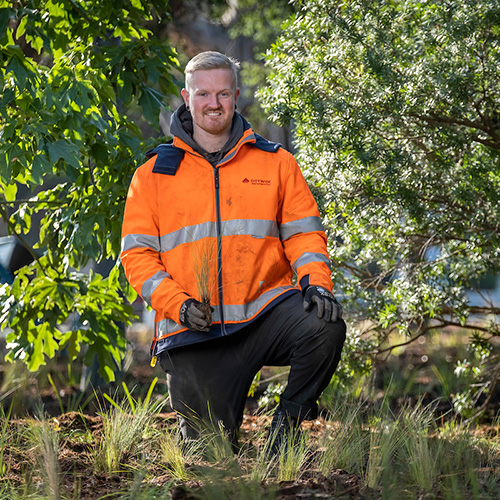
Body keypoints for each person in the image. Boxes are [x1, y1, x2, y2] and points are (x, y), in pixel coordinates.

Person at [120, 51, 346, 453]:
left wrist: (316, 284)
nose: (214, 104)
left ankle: (287, 426)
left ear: (236, 95)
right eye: (203, 94)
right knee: (210, 457)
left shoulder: (276, 163)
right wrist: (179, 305)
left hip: (264, 315)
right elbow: (137, 257)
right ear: (186, 98)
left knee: (323, 323)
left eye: (223, 93)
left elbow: (305, 236)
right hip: (193, 331)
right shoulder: (152, 174)